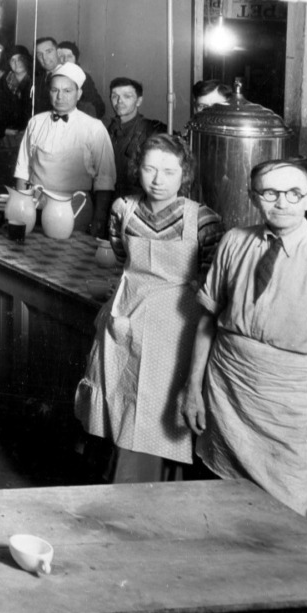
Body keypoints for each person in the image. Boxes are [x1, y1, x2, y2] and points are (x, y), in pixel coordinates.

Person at [182, 159, 307, 514]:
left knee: (284, 516)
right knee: (218, 505)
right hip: (227, 392)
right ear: (253, 196)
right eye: (270, 192)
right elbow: (206, 321)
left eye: (294, 193)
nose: (282, 202)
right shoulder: (233, 242)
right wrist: (193, 388)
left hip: (290, 408)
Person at [76, 134, 222, 482]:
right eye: (149, 169)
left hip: (176, 326)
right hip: (125, 314)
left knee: (158, 413)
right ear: (137, 169)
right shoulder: (123, 209)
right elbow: (122, 257)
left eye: (169, 171)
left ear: (184, 174)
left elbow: (211, 280)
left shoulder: (203, 220)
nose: (158, 180)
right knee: (117, 399)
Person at [14, 62, 117, 237]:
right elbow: (23, 170)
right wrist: (20, 208)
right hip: (37, 207)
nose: (60, 96)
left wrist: (99, 220)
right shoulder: (36, 122)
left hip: (76, 210)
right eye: (55, 90)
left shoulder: (94, 127)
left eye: (67, 91)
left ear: (79, 94)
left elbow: (105, 179)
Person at [106, 77, 169, 198]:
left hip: (138, 200)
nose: (119, 101)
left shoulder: (153, 130)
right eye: (114, 96)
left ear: (139, 101)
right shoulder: (104, 128)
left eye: (127, 96)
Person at [0, 45, 34, 137]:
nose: (17, 63)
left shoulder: (37, 83)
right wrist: (3, 130)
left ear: (27, 60)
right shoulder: (0, 86)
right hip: (7, 139)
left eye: (20, 58)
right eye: (12, 60)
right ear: (8, 64)